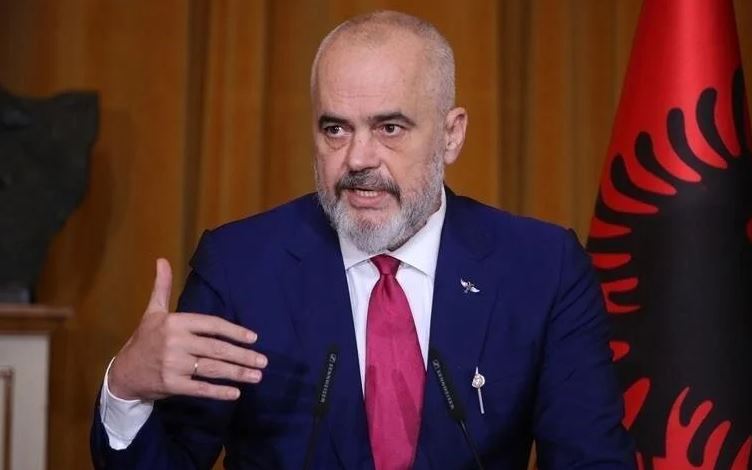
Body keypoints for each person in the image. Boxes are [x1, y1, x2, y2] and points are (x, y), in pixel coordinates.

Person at [91, 10, 635, 469]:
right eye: (336, 129)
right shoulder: (240, 268)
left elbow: (591, 459)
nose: (357, 158)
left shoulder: (542, 268)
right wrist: (126, 388)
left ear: (451, 135)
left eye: (389, 128)